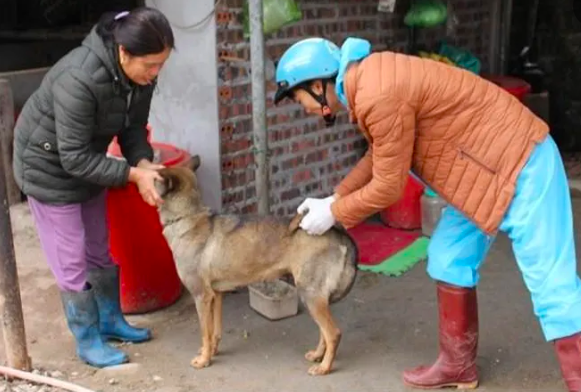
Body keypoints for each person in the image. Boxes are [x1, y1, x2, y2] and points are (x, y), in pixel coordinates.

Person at [273, 37, 581, 391]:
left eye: (300, 101)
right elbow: (380, 155)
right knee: (449, 257)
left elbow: (389, 186)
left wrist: (336, 213)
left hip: (522, 162)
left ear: (317, 85)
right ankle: (457, 365)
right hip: (476, 175)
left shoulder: (376, 91)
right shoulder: (368, 82)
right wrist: (335, 197)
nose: (306, 110)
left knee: (551, 286)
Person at [12, 7, 174, 368]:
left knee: (99, 248)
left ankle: (111, 320)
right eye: (150, 65)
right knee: (71, 258)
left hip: (87, 163)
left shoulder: (139, 78)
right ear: (123, 53)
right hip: (48, 167)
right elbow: (72, 157)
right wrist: (132, 175)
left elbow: (132, 130)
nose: (155, 73)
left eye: (161, 64)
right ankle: (87, 339)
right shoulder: (79, 77)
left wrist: (143, 162)